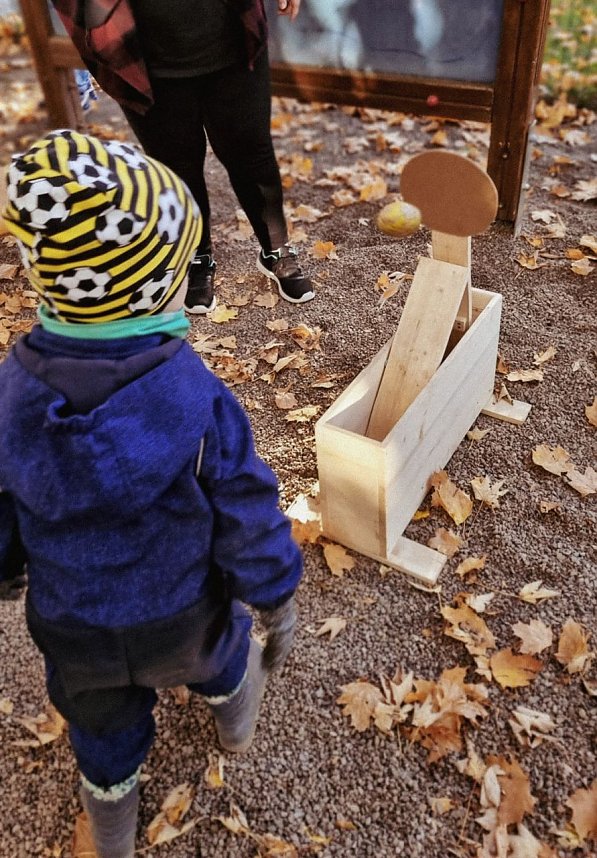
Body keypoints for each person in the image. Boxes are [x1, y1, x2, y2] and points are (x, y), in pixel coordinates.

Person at [0, 129, 302, 858]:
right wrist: (275, 591)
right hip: (182, 612)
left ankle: (112, 825)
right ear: (147, 284)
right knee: (224, 661)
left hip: (74, 623)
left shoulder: (10, 392)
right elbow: (244, 507)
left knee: (101, 728)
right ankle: (236, 722)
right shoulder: (196, 397)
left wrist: (7, 567)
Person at [50, 0, 315, 314]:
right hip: (142, 53)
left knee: (252, 153)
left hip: (230, 36)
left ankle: (275, 248)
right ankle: (197, 255)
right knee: (176, 166)